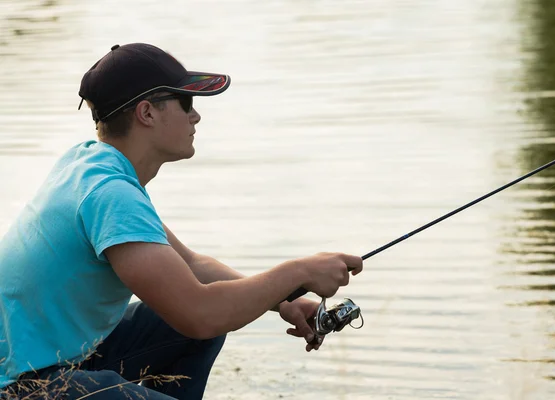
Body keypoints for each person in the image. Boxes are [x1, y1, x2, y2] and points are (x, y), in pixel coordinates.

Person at [0, 43, 363, 399]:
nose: (196, 116)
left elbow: (191, 265)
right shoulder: (110, 193)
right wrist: (297, 272)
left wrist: (284, 301)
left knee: (195, 328)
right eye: (186, 103)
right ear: (147, 113)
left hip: (45, 364)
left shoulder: (90, 165)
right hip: (23, 386)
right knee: (201, 322)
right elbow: (199, 313)